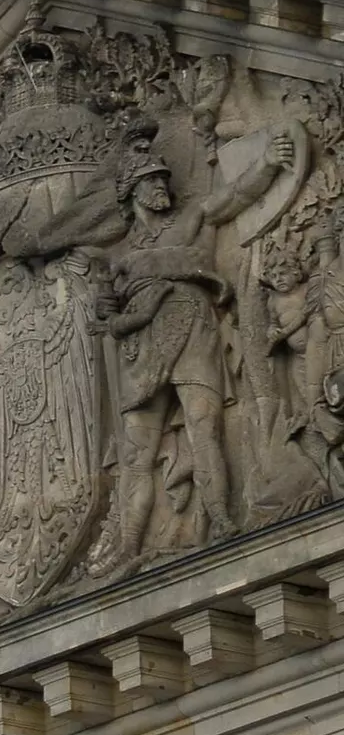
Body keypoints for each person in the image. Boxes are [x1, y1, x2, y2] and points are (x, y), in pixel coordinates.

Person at [97, 133, 295, 555]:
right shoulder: (116, 257)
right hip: (141, 348)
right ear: (132, 191)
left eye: (163, 179)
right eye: (151, 180)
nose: (161, 186)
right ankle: (129, 547)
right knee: (137, 454)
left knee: (206, 429)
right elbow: (106, 318)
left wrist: (268, 162)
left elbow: (233, 196)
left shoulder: (188, 220)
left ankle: (221, 516)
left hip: (193, 331)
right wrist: (133, 314)